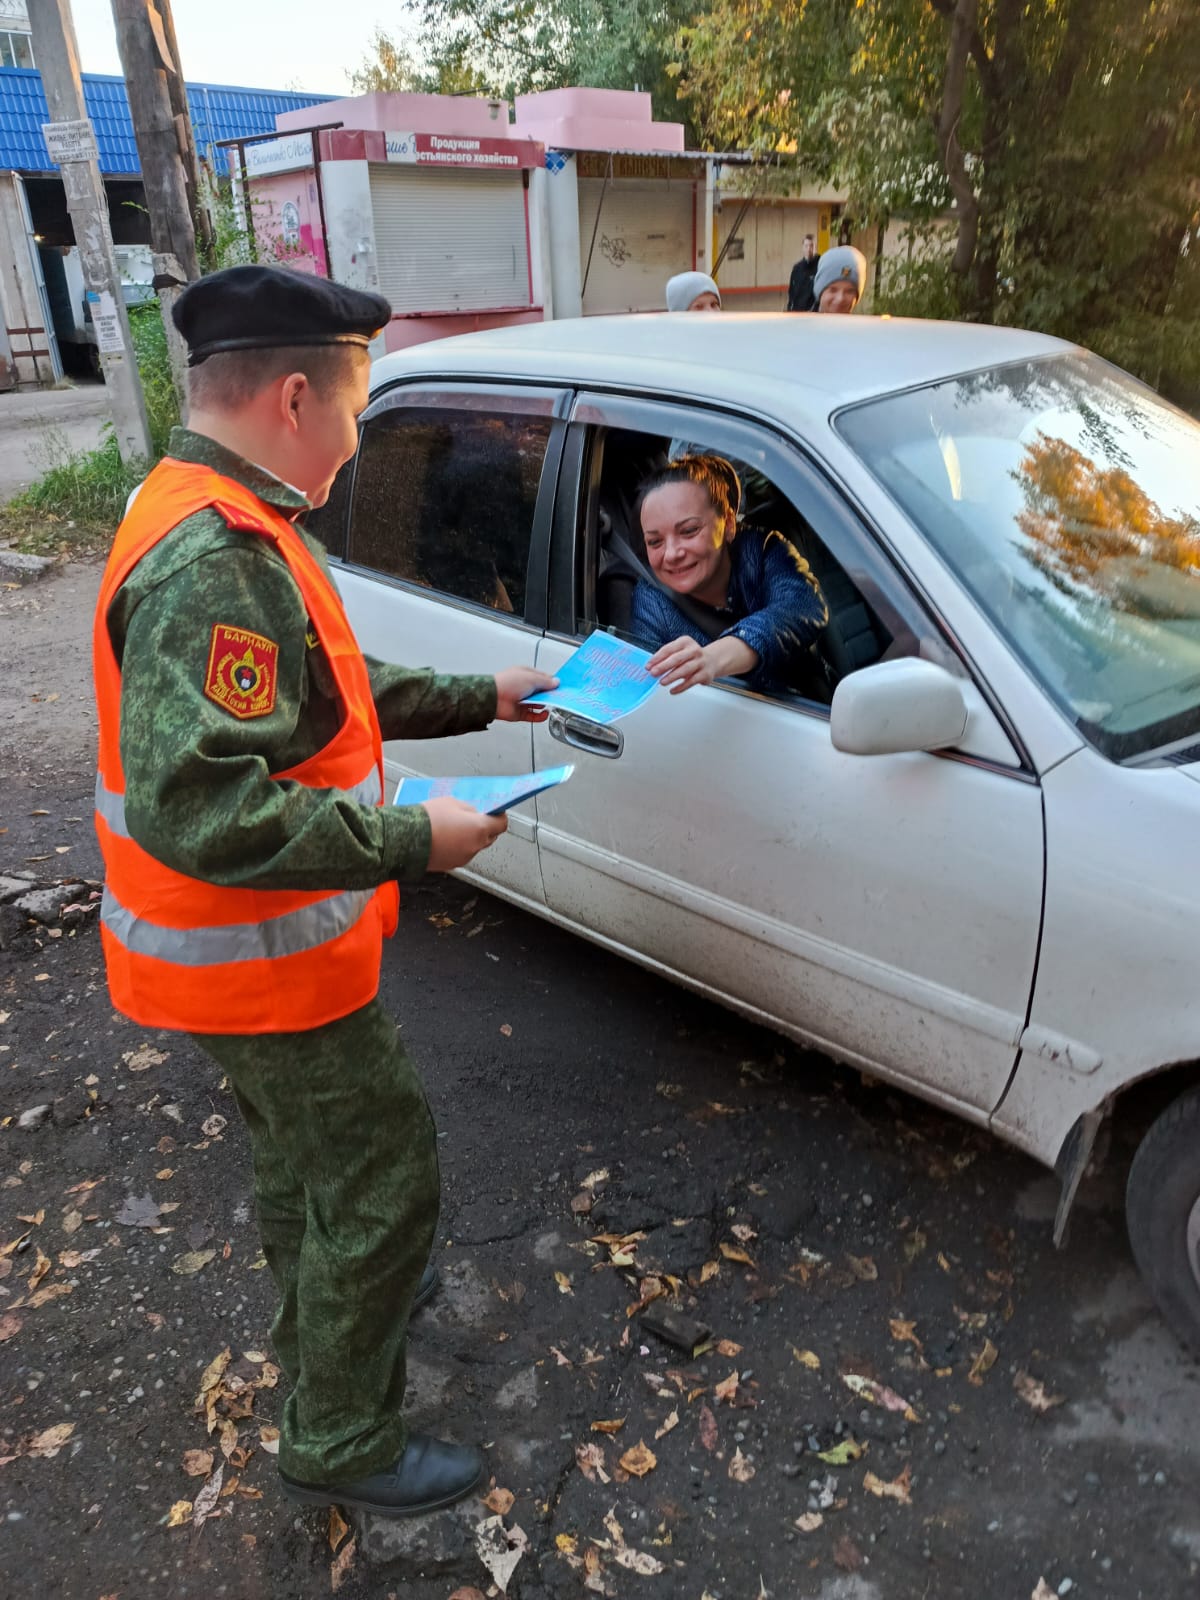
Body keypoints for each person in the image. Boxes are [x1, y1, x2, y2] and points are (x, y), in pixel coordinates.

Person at [91, 264, 557, 1520]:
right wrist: (417, 837)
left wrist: (484, 695)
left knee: (308, 1166)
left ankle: (330, 1330)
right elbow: (203, 807)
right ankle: (341, 1430)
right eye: (356, 412)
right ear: (296, 397)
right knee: (383, 1168)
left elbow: (318, 695)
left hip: (241, 959)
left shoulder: (211, 507)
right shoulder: (214, 559)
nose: (358, 444)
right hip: (252, 962)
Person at [630, 453, 829, 695]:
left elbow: (803, 606)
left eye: (689, 531)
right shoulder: (651, 601)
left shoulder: (762, 549)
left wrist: (714, 658)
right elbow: (651, 692)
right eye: (655, 541)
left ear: (728, 524)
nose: (671, 553)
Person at [811, 245, 867, 314]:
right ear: (819, 292)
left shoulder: (868, 325)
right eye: (833, 290)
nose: (840, 299)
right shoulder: (799, 324)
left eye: (849, 291)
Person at [786, 235, 820, 312]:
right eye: (806, 246)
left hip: (813, 314)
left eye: (811, 246)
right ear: (802, 248)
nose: (809, 249)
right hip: (797, 312)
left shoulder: (821, 266)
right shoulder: (797, 268)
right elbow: (791, 291)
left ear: (816, 247)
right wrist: (789, 309)